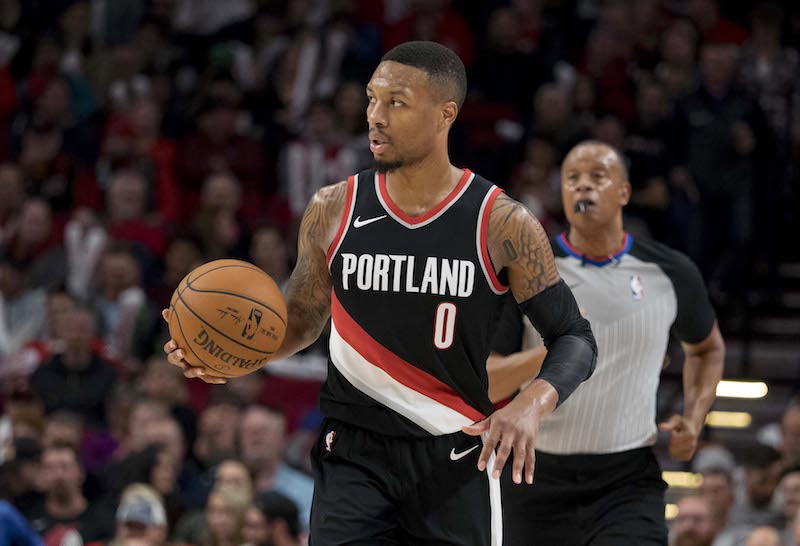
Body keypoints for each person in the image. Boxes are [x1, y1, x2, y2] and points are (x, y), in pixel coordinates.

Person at [163, 41, 597, 545]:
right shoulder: (332, 208)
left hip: (454, 449)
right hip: (353, 452)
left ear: (445, 115)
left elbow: (575, 337)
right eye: (372, 99)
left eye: (396, 102)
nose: (375, 116)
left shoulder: (500, 222)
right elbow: (300, 320)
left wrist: (531, 405)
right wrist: (235, 352)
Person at [489, 141, 725, 545]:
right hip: (533, 474)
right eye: (572, 179)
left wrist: (695, 414)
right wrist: (555, 353)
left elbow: (707, 349)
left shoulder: (670, 272)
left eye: (597, 177)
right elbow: (489, 381)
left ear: (624, 192)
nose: (583, 186)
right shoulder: (528, 272)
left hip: (626, 480)